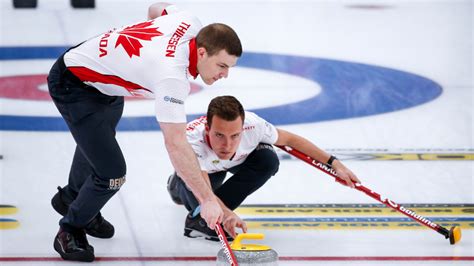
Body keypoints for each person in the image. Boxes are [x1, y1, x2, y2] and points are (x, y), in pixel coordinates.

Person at [48, 3, 242, 262]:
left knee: (99, 143)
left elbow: (155, 8)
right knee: (111, 174)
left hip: (105, 83)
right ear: (203, 52)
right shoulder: (171, 77)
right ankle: (69, 229)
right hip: (73, 84)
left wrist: (138, 60)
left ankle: (72, 198)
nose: (225, 75)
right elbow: (175, 144)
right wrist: (207, 199)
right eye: (221, 66)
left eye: (229, 67)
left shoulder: (190, 21)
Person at [167, 96, 361, 241]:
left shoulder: (254, 126)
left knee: (268, 159)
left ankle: (203, 219)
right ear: (207, 129)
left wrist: (336, 164)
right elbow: (206, 193)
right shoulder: (192, 141)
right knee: (199, 195)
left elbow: (291, 140)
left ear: (243, 129)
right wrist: (227, 214)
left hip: (234, 164)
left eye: (235, 136)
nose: (227, 145)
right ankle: (177, 186)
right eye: (219, 135)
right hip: (203, 174)